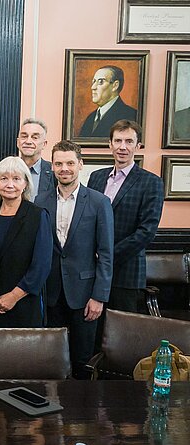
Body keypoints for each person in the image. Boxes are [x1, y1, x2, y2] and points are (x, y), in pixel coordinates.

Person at [35, 140, 113, 379]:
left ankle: (80, 414)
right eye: (58, 163)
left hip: (84, 295)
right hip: (50, 293)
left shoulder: (99, 202)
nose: (64, 168)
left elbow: (107, 254)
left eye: (70, 163)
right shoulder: (40, 201)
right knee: (50, 359)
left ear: (81, 164)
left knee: (82, 361)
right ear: (53, 167)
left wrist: (99, 297)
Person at [88, 120, 163, 345]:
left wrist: (108, 256)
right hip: (92, 270)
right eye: (118, 140)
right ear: (110, 144)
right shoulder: (96, 177)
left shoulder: (151, 182)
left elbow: (147, 231)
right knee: (93, 333)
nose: (123, 146)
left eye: (129, 141)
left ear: (138, 146)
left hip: (126, 273)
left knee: (122, 339)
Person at [0, 157, 52, 328]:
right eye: (4, 178)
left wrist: (14, 296)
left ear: (25, 183)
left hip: (24, 303)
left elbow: (41, 265)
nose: (9, 184)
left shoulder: (38, 215)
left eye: (16, 179)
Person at [78, 66, 138, 138]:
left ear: (115, 86)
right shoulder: (91, 118)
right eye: (93, 82)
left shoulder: (130, 115)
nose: (93, 87)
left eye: (100, 82)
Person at [17, 118, 54, 202]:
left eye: (35, 137)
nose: (28, 141)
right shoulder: (7, 170)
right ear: (18, 142)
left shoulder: (53, 172)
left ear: (44, 144)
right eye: (24, 136)